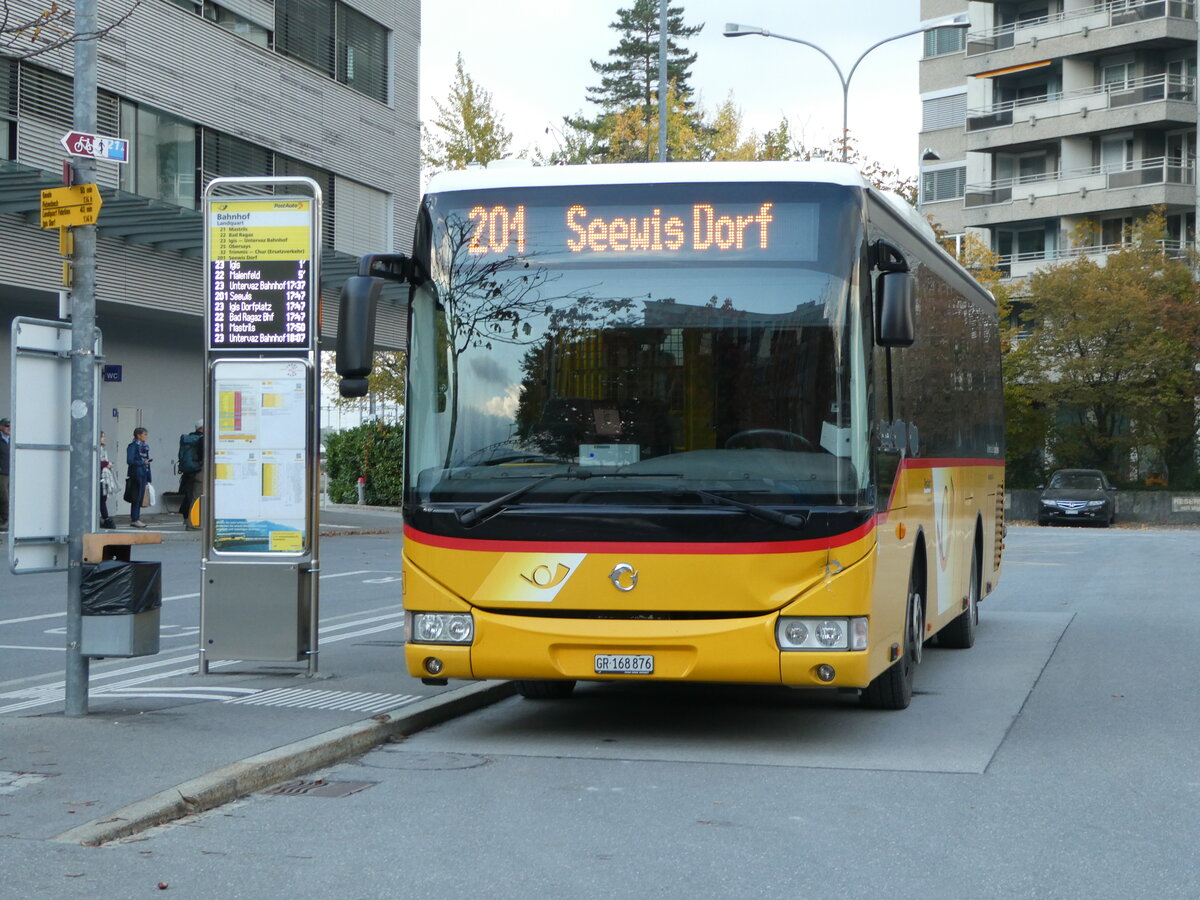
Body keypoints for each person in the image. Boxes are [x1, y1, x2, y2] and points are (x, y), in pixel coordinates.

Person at [177, 420, 204, 530]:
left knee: (190, 497)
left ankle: (188, 520)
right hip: (200, 472)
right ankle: (192, 523)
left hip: (189, 472)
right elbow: (204, 455)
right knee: (197, 498)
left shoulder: (188, 439)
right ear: (202, 428)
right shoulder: (202, 439)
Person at [126, 427, 152, 528]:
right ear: (138, 435)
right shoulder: (132, 446)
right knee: (136, 497)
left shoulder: (145, 447)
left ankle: (137, 517)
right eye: (144, 434)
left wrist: (149, 476)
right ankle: (134, 519)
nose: (146, 437)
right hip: (136, 474)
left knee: (140, 497)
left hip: (143, 473)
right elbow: (130, 461)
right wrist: (142, 462)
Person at [98, 431, 118, 529]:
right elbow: (98, 461)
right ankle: (105, 517)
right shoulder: (98, 449)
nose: (104, 438)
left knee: (103, 497)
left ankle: (103, 517)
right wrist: (106, 464)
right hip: (101, 475)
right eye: (102, 437)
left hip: (104, 475)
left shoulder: (102, 449)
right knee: (102, 498)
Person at [0, 417, 10, 532]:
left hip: (11, 472)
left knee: (10, 497)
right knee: (4, 497)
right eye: (7, 426)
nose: (9, 428)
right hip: (2, 473)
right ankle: (4, 520)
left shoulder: (12, 440)